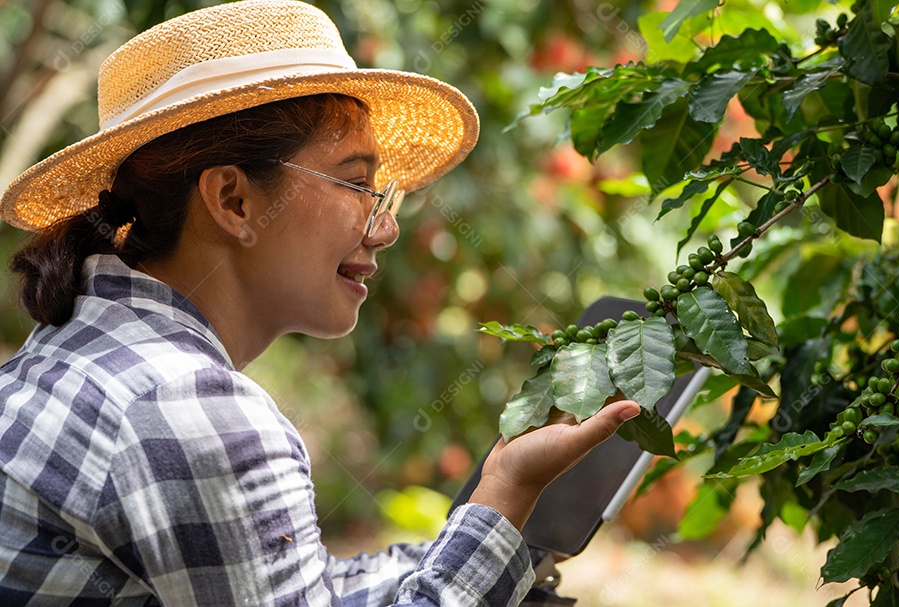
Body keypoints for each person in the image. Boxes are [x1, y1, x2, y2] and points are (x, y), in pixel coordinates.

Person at [0, 1, 640, 604]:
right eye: (357, 184)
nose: (384, 227)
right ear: (234, 201)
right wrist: (505, 493)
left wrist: (491, 543)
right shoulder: (188, 408)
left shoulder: (79, 347)